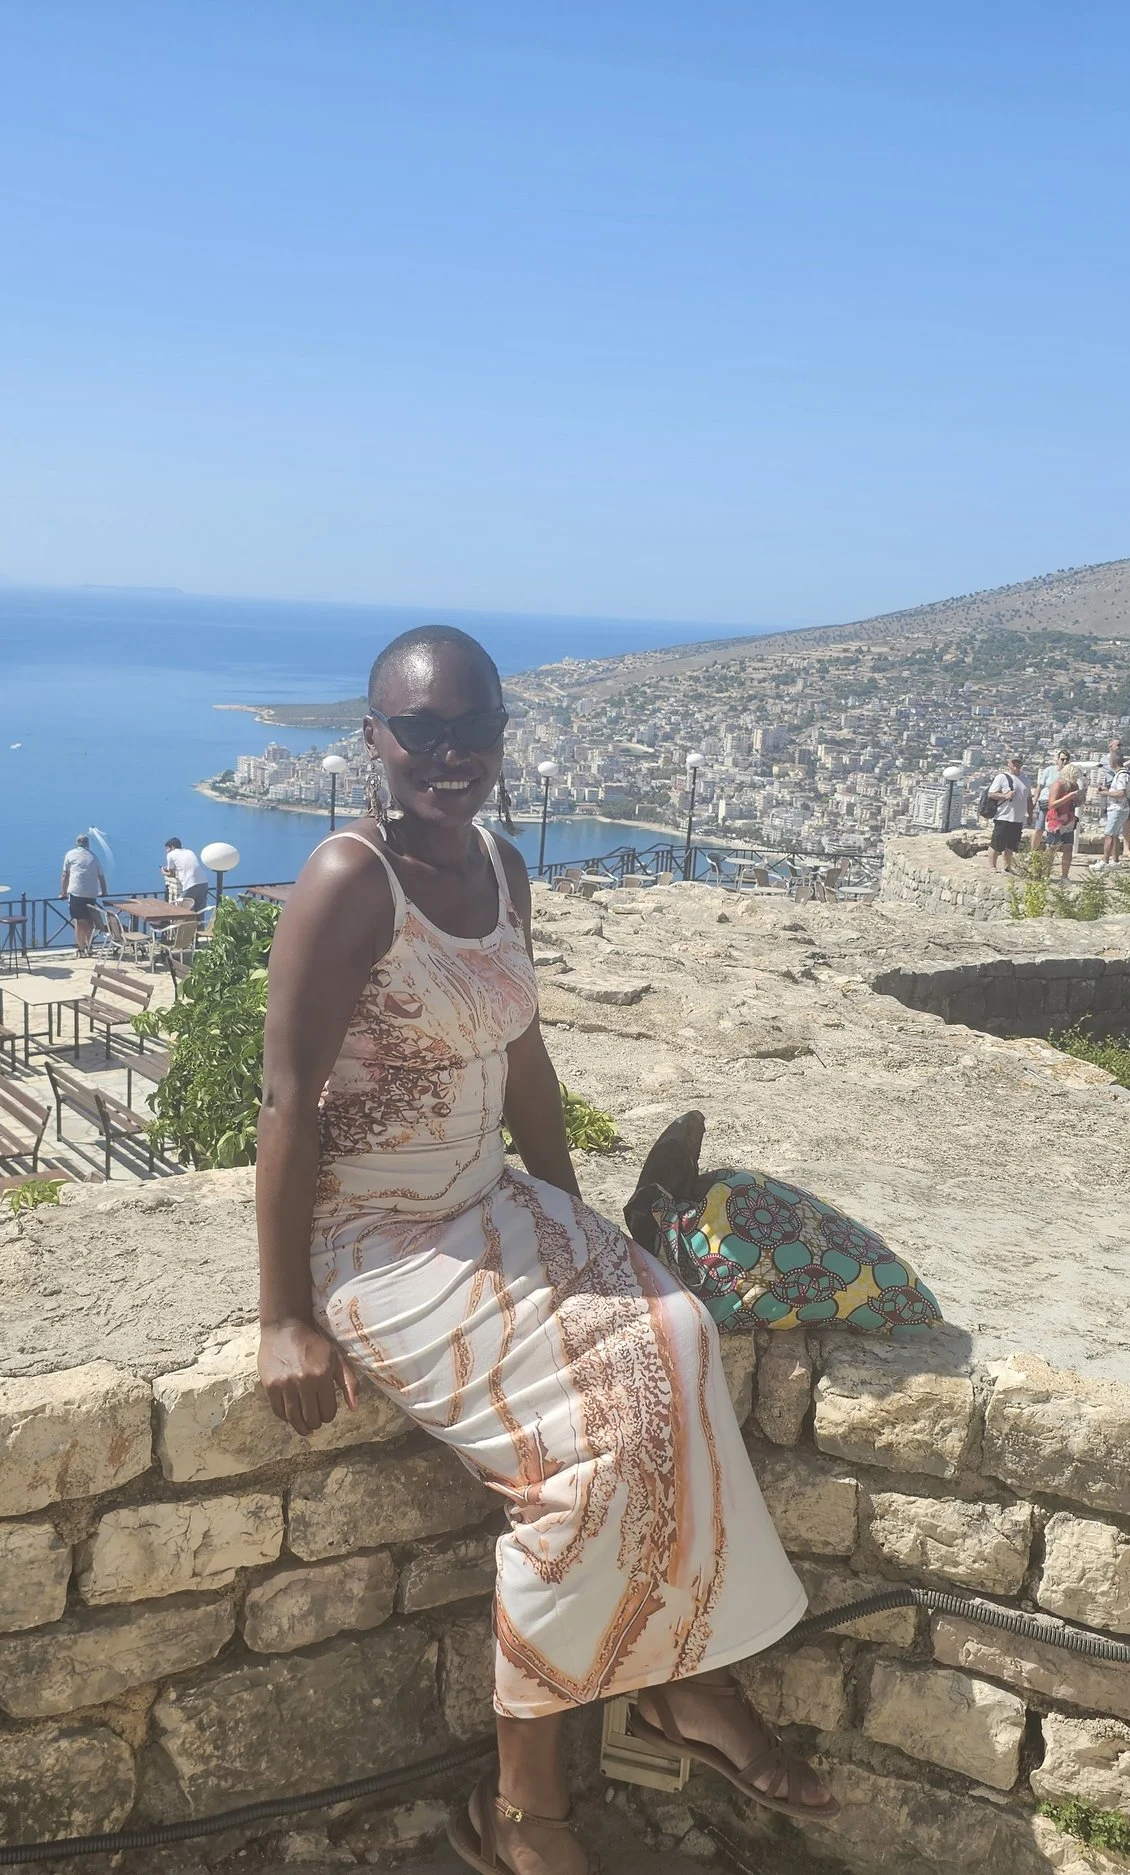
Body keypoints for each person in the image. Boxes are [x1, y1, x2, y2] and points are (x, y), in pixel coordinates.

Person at [256, 625, 834, 1875]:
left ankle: (688, 1679)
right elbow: (285, 1098)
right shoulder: (349, 881)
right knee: (579, 1453)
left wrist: (573, 1216)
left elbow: (522, 1053)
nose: (447, 754)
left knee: (677, 1332)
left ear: (503, 738)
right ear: (372, 739)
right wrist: (281, 1316)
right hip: (378, 1239)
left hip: (493, 1202)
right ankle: (526, 1807)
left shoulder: (503, 868)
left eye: (472, 729)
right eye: (419, 730)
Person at [59, 833, 107, 958]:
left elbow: (65, 875)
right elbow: (101, 877)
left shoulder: (70, 854)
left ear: (77, 843)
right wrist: (104, 892)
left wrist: (63, 892)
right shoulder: (94, 857)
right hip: (91, 894)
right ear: (88, 844)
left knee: (79, 922)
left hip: (76, 893)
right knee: (90, 921)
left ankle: (80, 949)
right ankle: (89, 947)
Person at [985, 754, 1030, 872]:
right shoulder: (1002, 777)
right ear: (1008, 764)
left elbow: (1028, 798)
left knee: (1011, 845)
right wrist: (1005, 795)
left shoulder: (1025, 779)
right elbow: (991, 794)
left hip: (1018, 818)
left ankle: (1007, 866)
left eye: (1018, 763)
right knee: (997, 843)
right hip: (1003, 816)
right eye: (1013, 763)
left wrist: (1030, 814)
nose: (1016, 765)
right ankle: (992, 866)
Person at [1042, 761, 1085, 881]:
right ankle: (1045, 874)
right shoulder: (1058, 785)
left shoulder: (1074, 786)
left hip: (1068, 820)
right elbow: (1052, 804)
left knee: (1068, 847)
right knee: (1051, 848)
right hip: (1055, 820)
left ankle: (1064, 876)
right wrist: (1068, 796)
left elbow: (1075, 803)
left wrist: (1079, 798)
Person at [1096, 751, 1130, 868]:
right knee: (1115, 835)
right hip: (1122, 809)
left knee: (1109, 835)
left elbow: (1121, 793)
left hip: (1117, 808)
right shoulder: (1125, 774)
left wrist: (1105, 793)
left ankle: (1104, 861)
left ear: (1113, 762)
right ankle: (1115, 861)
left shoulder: (1121, 775)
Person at [162, 836, 207, 914]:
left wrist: (163, 871)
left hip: (191, 885)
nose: (167, 851)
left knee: (179, 908)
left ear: (172, 847)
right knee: (199, 912)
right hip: (204, 883)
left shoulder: (171, 854)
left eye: (167, 848)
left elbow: (171, 874)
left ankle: (180, 926)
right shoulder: (189, 851)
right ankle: (200, 926)